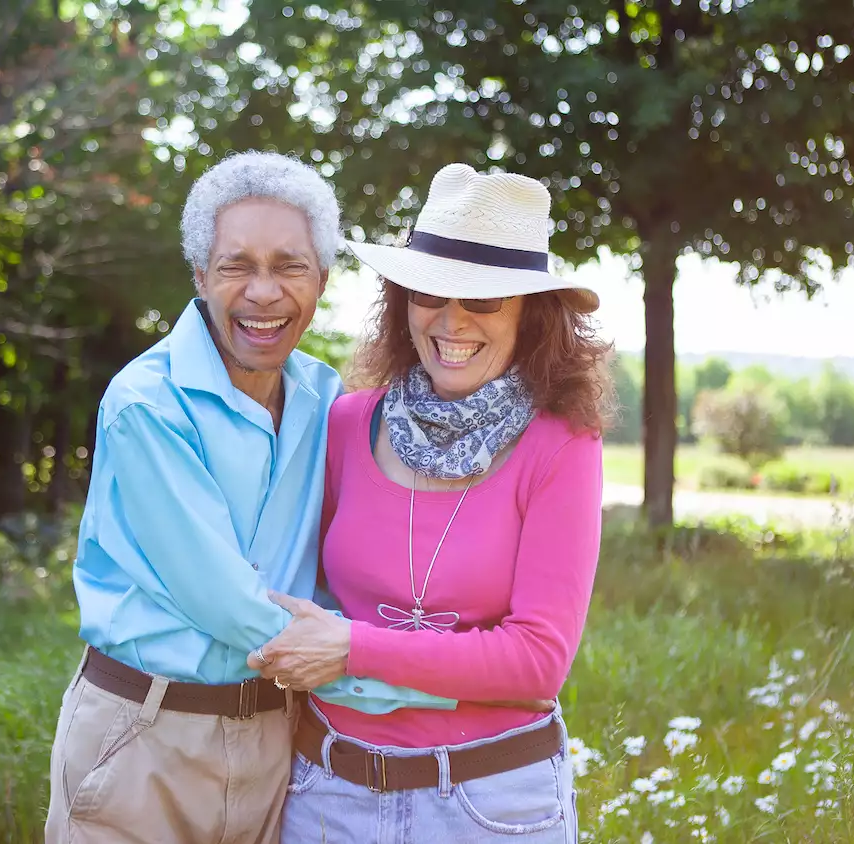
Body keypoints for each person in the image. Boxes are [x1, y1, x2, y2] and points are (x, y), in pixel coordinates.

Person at [42, 151, 459, 844]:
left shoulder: (329, 403)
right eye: (237, 266)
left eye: (289, 266)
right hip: (144, 739)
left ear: (321, 281)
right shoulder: (148, 405)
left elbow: (360, 558)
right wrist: (426, 681)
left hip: (275, 738)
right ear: (201, 277)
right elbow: (229, 606)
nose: (264, 293)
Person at [258, 162, 612, 843]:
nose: (451, 321)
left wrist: (356, 648)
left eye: (482, 301)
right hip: (330, 795)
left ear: (530, 314)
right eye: (428, 292)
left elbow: (538, 664)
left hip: (489, 805)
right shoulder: (346, 424)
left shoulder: (561, 447)